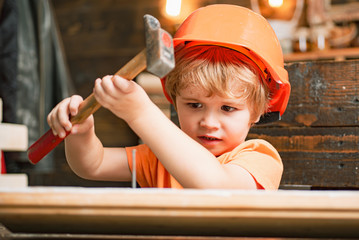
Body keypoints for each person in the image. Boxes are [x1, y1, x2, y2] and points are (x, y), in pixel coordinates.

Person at [47, 4, 290, 190]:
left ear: (257, 111)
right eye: (195, 104)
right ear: (175, 99)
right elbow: (93, 165)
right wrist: (81, 132)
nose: (208, 122)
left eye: (227, 108)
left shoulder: (259, 158)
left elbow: (215, 186)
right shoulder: (158, 156)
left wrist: (141, 113)